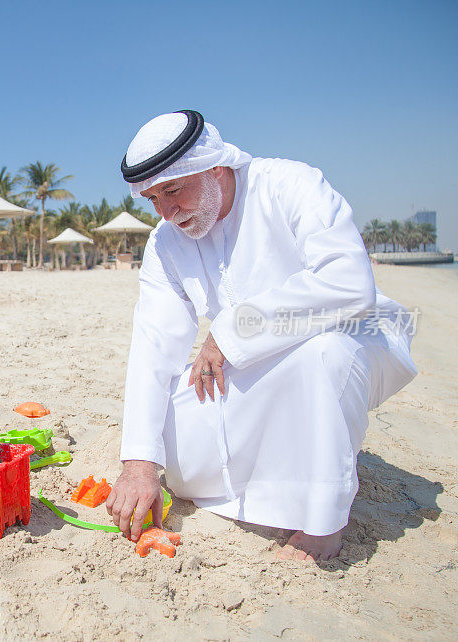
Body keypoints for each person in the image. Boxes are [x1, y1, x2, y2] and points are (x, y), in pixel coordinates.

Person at [106, 110, 417, 561]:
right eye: (152, 197)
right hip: (252, 359)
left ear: (215, 167)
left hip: (353, 339)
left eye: (173, 189)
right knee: (170, 441)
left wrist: (231, 331)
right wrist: (138, 464)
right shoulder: (165, 243)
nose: (167, 211)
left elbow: (350, 284)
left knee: (321, 355)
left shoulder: (290, 184)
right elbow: (154, 345)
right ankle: (278, 477)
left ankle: (322, 523)